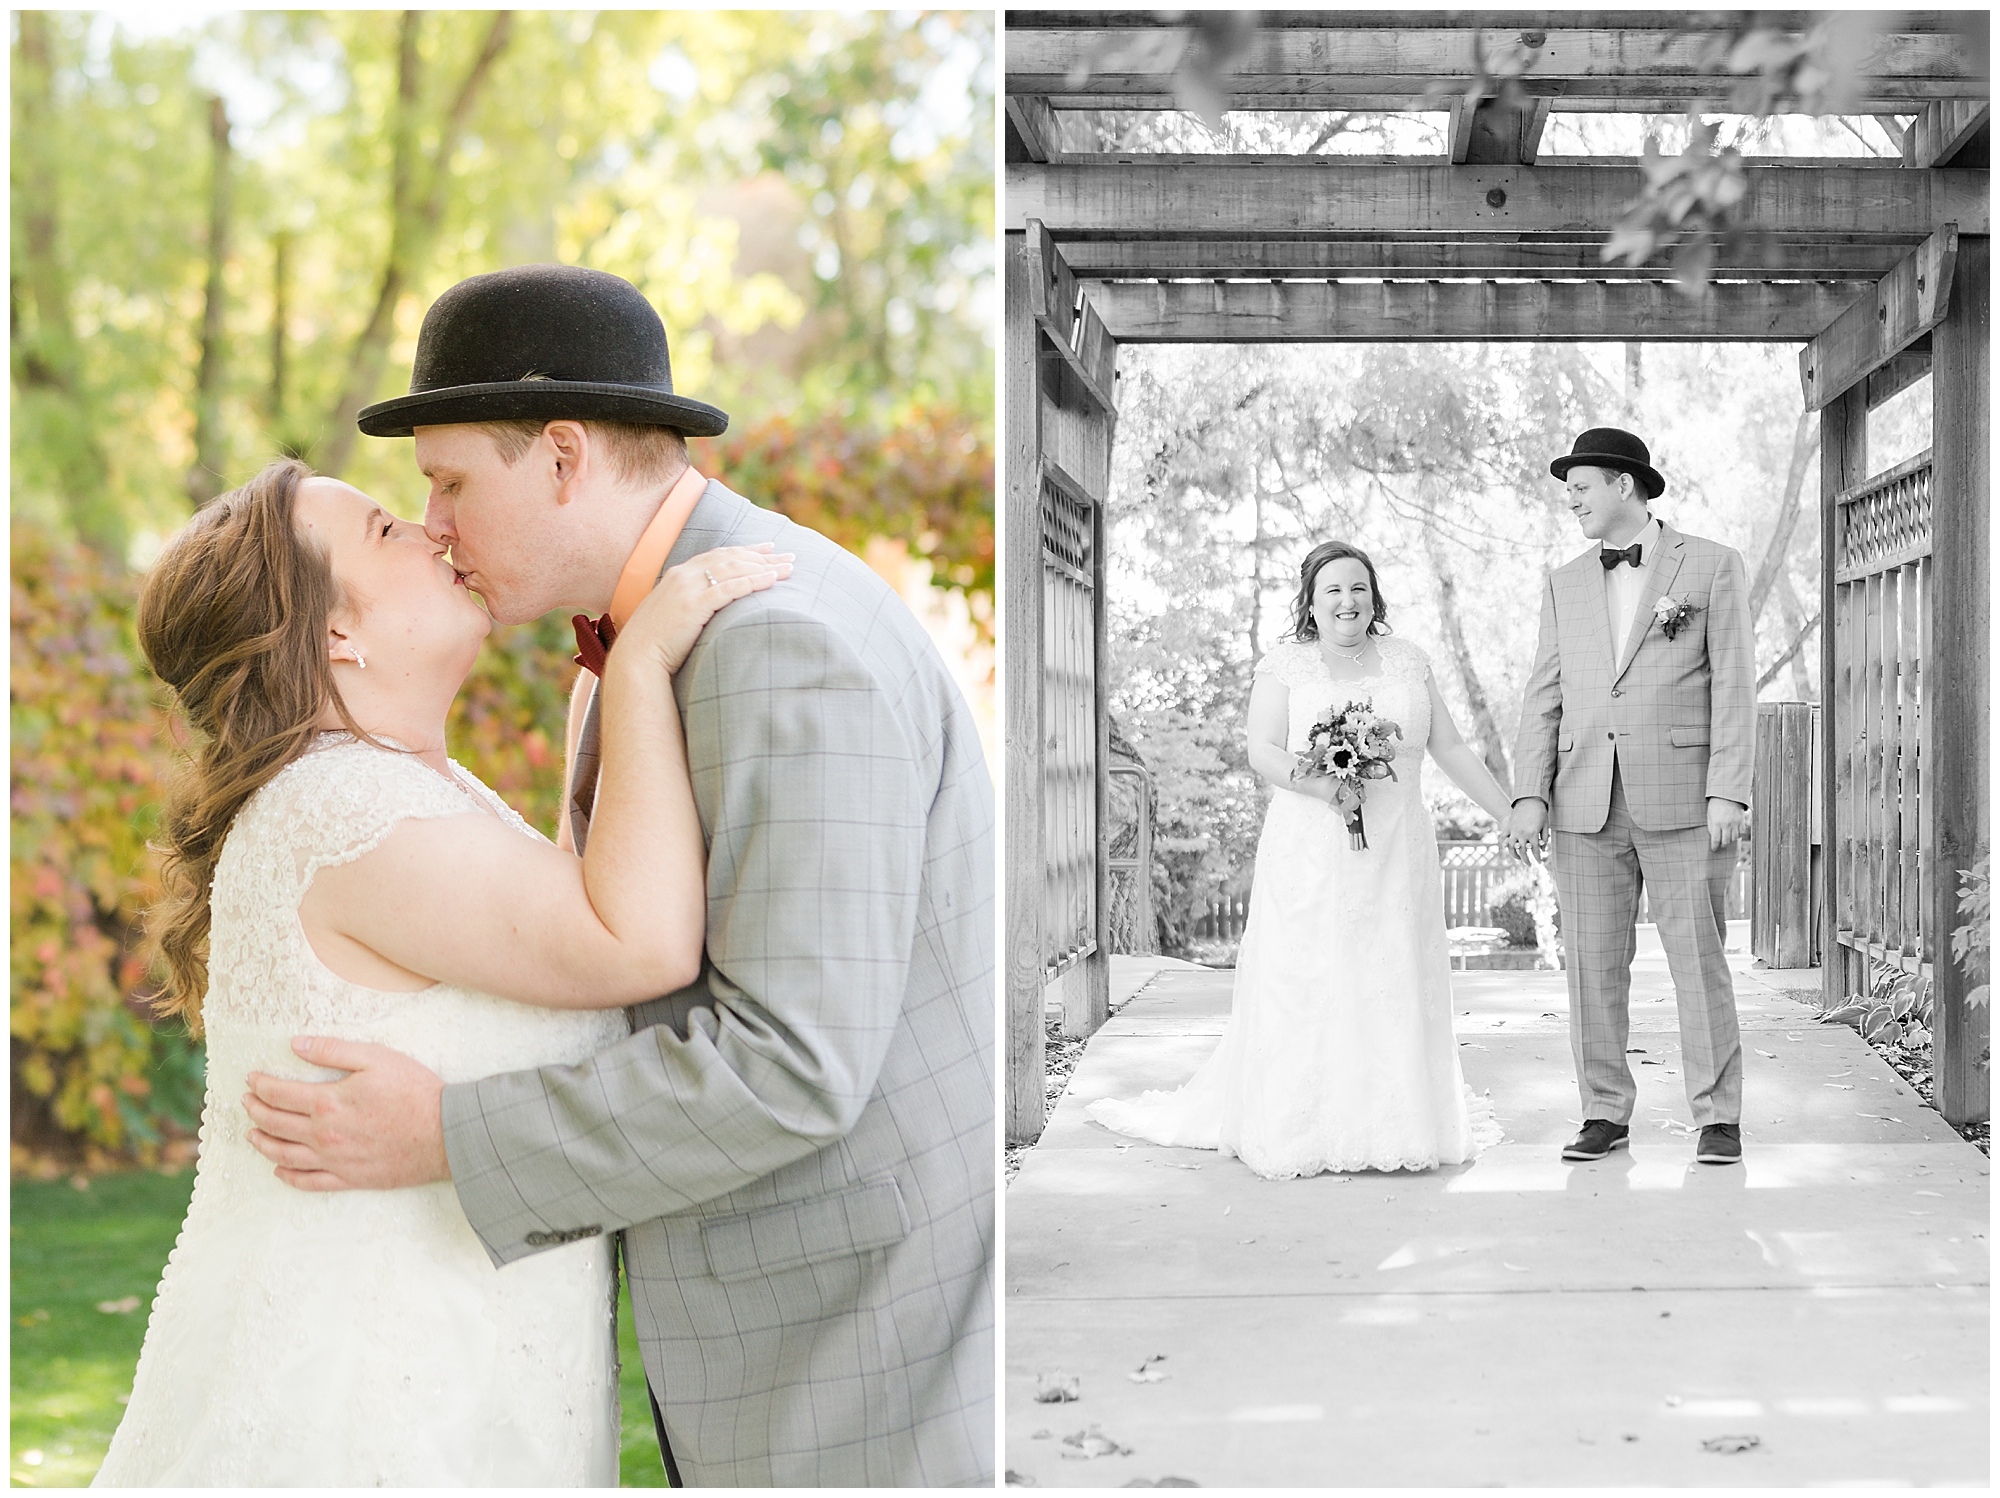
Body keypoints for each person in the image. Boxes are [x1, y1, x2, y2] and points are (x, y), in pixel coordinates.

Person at [238, 264, 996, 1487]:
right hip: (785, 1336)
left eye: (447, 483)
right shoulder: (658, 637)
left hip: (853, 1362)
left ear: (562, 456)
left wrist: (446, 1132)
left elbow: (793, 1066)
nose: (432, 524)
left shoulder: (772, 648)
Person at [95, 458, 785, 1485]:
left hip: (454, 1355)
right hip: (377, 1399)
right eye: (383, 532)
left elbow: (549, 928)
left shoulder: (394, 788)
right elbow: (632, 943)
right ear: (337, 633)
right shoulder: (343, 813)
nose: (430, 532)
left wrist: (600, 704)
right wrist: (638, 668)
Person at [1087, 541, 1514, 1178]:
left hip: (1398, 847)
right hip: (1311, 850)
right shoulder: (1286, 666)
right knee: (1310, 975)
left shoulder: (1410, 661)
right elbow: (1261, 749)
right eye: (1333, 591)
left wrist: (1507, 810)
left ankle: (1399, 1121)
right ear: (1312, 604)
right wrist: (1323, 786)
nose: (1348, 601)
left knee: (1393, 971)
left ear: (1375, 597)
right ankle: (1302, 1122)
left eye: (1359, 589)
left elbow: (1448, 746)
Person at [1505, 427, 1753, 1167]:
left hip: (1685, 802)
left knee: (1698, 962)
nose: (1571, 499)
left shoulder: (1710, 567)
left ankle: (1719, 1117)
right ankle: (1603, 1112)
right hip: (1584, 802)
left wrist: (1728, 793)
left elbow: (1735, 686)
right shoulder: (1564, 582)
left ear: (1623, 484)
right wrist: (1529, 794)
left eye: (1580, 484)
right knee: (1590, 968)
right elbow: (1543, 693)